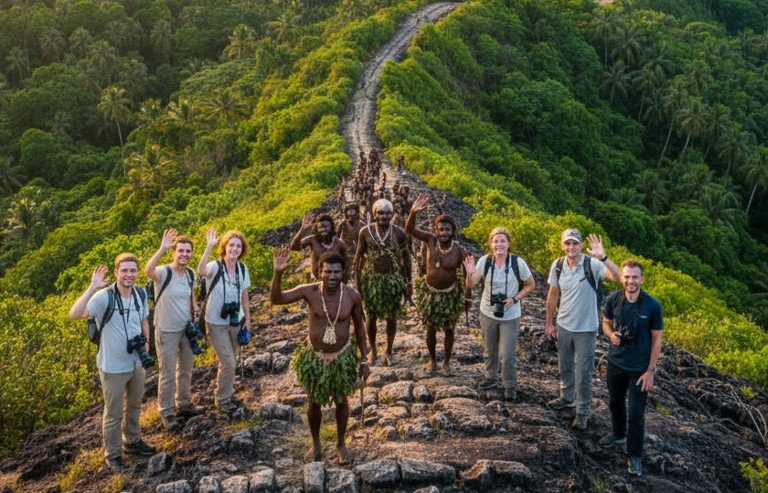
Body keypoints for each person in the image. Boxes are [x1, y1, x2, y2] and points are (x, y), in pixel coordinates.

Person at [270, 247, 369, 465]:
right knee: (313, 402)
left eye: (336, 272)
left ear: (343, 272)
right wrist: (278, 273)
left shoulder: (352, 295)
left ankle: (341, 443)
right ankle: (315, 444)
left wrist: (364, 359)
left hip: (342, 356)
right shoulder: (310, 291)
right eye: (328, 272)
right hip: (315, 357)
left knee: (342, 400)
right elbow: (276, 299)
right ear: (319, 271)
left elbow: (360, 328)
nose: (332, 276)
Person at [69, 254, 156, 471]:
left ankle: (133, 442)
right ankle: (113, 454)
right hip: (113, 367)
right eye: (124, 270)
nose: (129, 275)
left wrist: (147, 342)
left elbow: (144, 319)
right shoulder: (103, 297)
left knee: (135, 405)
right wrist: (92, 287)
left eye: (133, 271)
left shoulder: (140, 293)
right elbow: (74, 314)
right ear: (116, 272)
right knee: (114, 412)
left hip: (137, 362)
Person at [545, 228, 620, 429]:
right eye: (567, 243)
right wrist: (549, 323)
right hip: (564, 325)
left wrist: (603, 257)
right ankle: (566, 398)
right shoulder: (558, 265)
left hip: (586, 329)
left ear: (580, 245)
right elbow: (553, 294)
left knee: (584, 373)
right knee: (565, 366)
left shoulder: (592, 264)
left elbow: (617, 277)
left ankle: (582, 412)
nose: (571, 247)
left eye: (575, 244)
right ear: (563, 245)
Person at [599, 260, 663, 478]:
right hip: (616, 362)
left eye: (635, 277)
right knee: (615, 403)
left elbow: (657, 339)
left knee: (636, 413)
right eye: (627, 276)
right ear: (622, 278)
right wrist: (611, 335)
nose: (630, 281)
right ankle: (618, 434)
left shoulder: (652, 306)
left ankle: (634, 455)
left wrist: (650, 372)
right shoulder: (614, 298)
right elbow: (606, 322)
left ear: (642, 279)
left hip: (639, 369)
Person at [464, 227, 535, 401]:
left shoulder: (518, 263)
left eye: (503, 241)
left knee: (507, 354)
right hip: (488, 312)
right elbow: (471, 285)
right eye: (495, 241)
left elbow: (530, 284)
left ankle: (510, 386)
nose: (499, 244)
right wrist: (469, 273)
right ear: (491, 244)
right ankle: (490, 378)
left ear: (509, 244)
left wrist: (515, 298)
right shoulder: (485, 261)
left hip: (510, 314)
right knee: (490, 350)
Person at [144, 229, 203, 432]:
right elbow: (147, 270)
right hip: (166, 330)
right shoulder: (163, 272)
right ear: (174, 252)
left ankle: (184, 403)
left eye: (188, 251)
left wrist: (194, 309)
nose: (184, 254)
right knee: (167, 373)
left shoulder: (190, 273)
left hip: (186, 328)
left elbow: (190, 295)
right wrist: (162, 248)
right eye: (181, 251)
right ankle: (167, 412)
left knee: (186, 369)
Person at [405, 193, 470, 375]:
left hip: (450, 294)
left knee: (449, 329)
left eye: (447, 230)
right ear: (436, 230)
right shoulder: (430, 241)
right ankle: (432, 360)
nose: (444, 233)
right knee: (430, 329)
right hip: (430, 294)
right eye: (441, 229)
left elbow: (468, 277)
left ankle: (447, 363)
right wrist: (413, 212)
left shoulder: (459, 251)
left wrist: (467, 298)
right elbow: (410, 230)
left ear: (453, 231)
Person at [197, 227, 252, 414]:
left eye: (238, 246)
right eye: (231, 245)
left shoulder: (242, 269)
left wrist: (248, 321)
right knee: (229, 362)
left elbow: (245, 297)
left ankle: (226, 392)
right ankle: (222, 400)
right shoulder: (215, 266)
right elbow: (201, 270)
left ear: (242, 249)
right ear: (224, 247)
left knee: (231, 360)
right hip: (215, 323)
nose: (235, 249)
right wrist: (208, 247)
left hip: (236, 321)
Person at [354, 198, 411, 366]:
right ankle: (373, 350)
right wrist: (358, 287)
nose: (383, 216)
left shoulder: (399, 233)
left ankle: (389, 350)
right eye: (380, 213)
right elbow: (358, 261)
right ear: (374, 214)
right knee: (370, 318)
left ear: (392, 214)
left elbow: (406, 259)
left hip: (393, 281)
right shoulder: (365, 232)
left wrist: (408, 284)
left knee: (391, 317)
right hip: (371, 281)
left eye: (387, 213)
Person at [290, 212, 348, 279]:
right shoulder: (312, 240)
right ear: (316, 229)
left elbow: (346, 264)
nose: (323, 230)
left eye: (326, 227)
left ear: (331, 227)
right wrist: (302, 228)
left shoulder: (339, 243)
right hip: (318, 279)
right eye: (320, 227)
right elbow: (294, 247)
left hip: (334, 280)